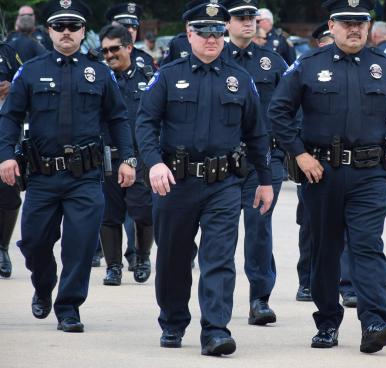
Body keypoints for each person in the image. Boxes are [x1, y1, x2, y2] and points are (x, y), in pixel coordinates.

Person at [269, 0, 386, 353]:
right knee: (325, 250)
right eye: (346, 22)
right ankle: (327, 322)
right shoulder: (308, 65)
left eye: (361, 23)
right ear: (332, 26)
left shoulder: (385, 68)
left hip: (369, 175)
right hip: (321, 174)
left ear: (369, 28)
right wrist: (300, 154)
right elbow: (278, 111)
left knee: (368, 246)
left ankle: (372, 322)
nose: (354, 28)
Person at [135, 1, 273, 356]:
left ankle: (215, 329)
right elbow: (145, 124)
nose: (211, 39)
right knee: (173, 257)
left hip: (223, 184)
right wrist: (152, 164)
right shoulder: (167, 75)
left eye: (217, 32)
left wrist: (265, 180)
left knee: (219, 257)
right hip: (175, 182)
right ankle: (173, 320)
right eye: (203, 32)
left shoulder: (240, 79)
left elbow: (257, 133)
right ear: (189, 35)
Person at [0, 0, 136, 333]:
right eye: (59, 26)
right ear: (48, 31)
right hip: (42, 176)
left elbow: (118, 117)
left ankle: (69, 307)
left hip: (85, 177)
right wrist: (5, 154)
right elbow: (11, 116)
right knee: (33, 243)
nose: (66, 33)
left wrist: (128, 158)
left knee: (81, 244)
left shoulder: (100, 72)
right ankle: (44, 286)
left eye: (73, 27)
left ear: (83, 32)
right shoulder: (30, 71)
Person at [221, 0, 288, 326]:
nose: (248, 22)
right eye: (240, 17)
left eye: (251, 17)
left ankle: (260, 298)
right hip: (221, 162)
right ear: (227, 22)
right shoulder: (212, 59)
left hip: (263, 159)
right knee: (221, 231)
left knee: (259, 228)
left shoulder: (272, 62)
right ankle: (217, 299)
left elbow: (291, 109)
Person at [98, 24, 155, 286]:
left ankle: (142, 257)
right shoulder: (98, 79)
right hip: (107, 156)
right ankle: (113, 267)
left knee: (143, 212)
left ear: (129, 47)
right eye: (105, 50)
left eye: (114, 49)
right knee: (110, 215)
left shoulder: (149, 77)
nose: (109, 55)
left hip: (141, 156)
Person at [293, 22, 335, 303]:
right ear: (321, 43)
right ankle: (306, 279)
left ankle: (346, 282)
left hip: (351, 162)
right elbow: (292, 116)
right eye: (330, 40)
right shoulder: (306, 69)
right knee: (310, 224)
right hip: (313, 161)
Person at [0, 42, 23, 279]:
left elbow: (26, 80)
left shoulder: (6, 52)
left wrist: (11, 86)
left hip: (3, 130)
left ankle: (2, 248)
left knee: (8, 191)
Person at [105, 3, 157, 70]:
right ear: (112, 27)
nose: (131, 30)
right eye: (126, 26)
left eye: (134, 27)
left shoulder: (146, 60)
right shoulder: (98, 58)